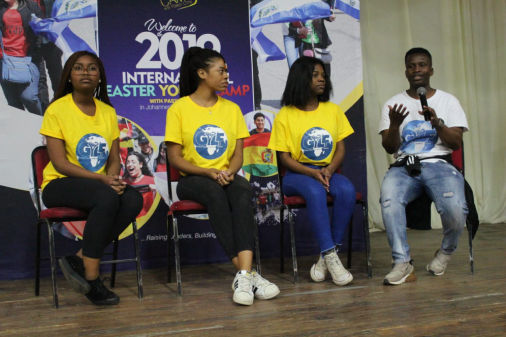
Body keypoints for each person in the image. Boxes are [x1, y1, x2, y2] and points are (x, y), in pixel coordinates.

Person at [165, 46, 279, 306]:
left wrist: (229, 171)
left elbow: (238, 155)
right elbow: (175, 159)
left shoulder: (232, 109)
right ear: (202, 73)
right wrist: (209, 171)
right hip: (193, 179)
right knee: (214, 194)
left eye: (227, 70)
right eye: (221, 70)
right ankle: (249, 274)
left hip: (225, 175)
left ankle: (243, 276)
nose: (227, 75)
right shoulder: (179, 109)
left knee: (242, 190)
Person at [39, 50, 143, 305]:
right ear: (69, 76)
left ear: (100, 77)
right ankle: (92, 279)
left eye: (92, 68)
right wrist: (102, 181)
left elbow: (114, 158)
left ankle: (79, 256)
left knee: (132, 200)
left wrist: (112, 178)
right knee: (107, 196)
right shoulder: (56, 110)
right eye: (79, 68)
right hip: (59, 185)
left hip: (98, 187)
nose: (86, 72)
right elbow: (60, 163)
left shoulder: (107, 111)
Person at [379, 47, 469, 285]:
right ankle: (402, 262)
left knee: (456, 210)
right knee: (389, 200)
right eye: (411, 65)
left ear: (431, 69)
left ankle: (446, 252)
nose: (417, 69)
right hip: (404, 166)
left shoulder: (448, 101)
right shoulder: (393, 104)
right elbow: (389, 147)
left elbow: (455, 142)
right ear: (406, 70)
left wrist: (437, 123)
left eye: (421, 65)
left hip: (439, 164)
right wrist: (395, 125)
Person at [268, 56, 355, 287]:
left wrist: (329, 169)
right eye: (315, 75)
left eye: (323, 76)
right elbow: (284, 158)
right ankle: (331, 254)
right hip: (297, 175)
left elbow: (340, 148)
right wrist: (312, 173)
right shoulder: (285, 115)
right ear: (301, 79)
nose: (322, 80)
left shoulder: (333, 110)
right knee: (316, 192)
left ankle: (327, 258)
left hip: (326, 171)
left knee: (346, 189)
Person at [0, 0, 43, 115]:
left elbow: (40, 30)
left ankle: (40, 123)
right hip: (5, 61)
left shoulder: (31, 7)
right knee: (13, 103)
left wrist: (36, 52)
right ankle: (21, 129)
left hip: (27, 59)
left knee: (29, 97)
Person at [122, 151, 156, 218]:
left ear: (140, 164)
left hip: (147, 219)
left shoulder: (152, 180)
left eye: (133, 162)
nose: (130, 164)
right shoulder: (123, 183)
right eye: (128, 162)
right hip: (128, 220)